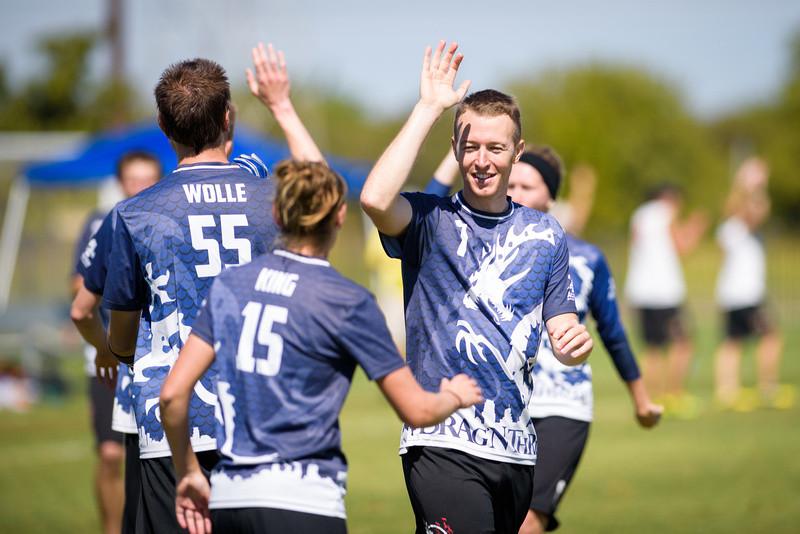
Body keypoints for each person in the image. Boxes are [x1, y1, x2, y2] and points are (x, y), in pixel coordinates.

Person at [159, 160, 483, 534]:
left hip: (230, 499)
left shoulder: (231, 285)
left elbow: (172, 395)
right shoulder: (346, 300)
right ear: (341, 216)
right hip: (304, 500)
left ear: (277, 214)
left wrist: (188, 473)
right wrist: (454, 396)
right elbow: (417, 409)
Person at [360, 41, 593, 533]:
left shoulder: (545, 232)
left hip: (515, 452)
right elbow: (376, 198)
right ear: (456, 150)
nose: (482, 160)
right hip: (443, 443)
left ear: (517, 152)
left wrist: (574, 344)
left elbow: (561, 325)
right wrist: (428, 108)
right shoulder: (428, 218)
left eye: (495, 147)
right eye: (471, 147)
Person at [102, 43, 322, 533]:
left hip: (174, 428)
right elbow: (323, 190)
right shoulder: (268, 194)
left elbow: (121, 337)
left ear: (162, 126)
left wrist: (124, 350)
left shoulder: (135, 213)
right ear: (228, 118)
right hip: (265, 416)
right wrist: (281, 105)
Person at [504, 149, 662, 534]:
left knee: (528, 521)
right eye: (511, 184)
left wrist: (641, 401)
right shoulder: (487, 248)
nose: (517, 193)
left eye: (527, 185)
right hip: (502, 403)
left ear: (551, 196)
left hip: (563, 404)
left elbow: (614, 333)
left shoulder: (587, 258)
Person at [71, 151, 162, 534]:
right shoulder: (104, 222)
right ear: (120, 182)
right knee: (112, 454)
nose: (139, 187)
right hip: (110, 356)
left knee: (152, 459)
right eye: (133, 180)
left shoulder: (165, 221)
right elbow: (80, 290)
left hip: (155, 358)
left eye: (148, 180)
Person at [713, 157, 794, 411]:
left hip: (734, 294)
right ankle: (767, 387)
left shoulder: (729, 226)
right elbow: (756, 210)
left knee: (732, 342)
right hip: (746, 295)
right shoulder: (737, 226)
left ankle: (727, 391)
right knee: (771, 337)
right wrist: (751, 185)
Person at [624, 183, 707, 417]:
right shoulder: (665, 213)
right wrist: (696, 226)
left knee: (653, 348)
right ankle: (675, 394)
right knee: (683, 343)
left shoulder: (639, 215)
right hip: (665, 292)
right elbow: (682, 246)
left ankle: (651, 396)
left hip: (641, 291)